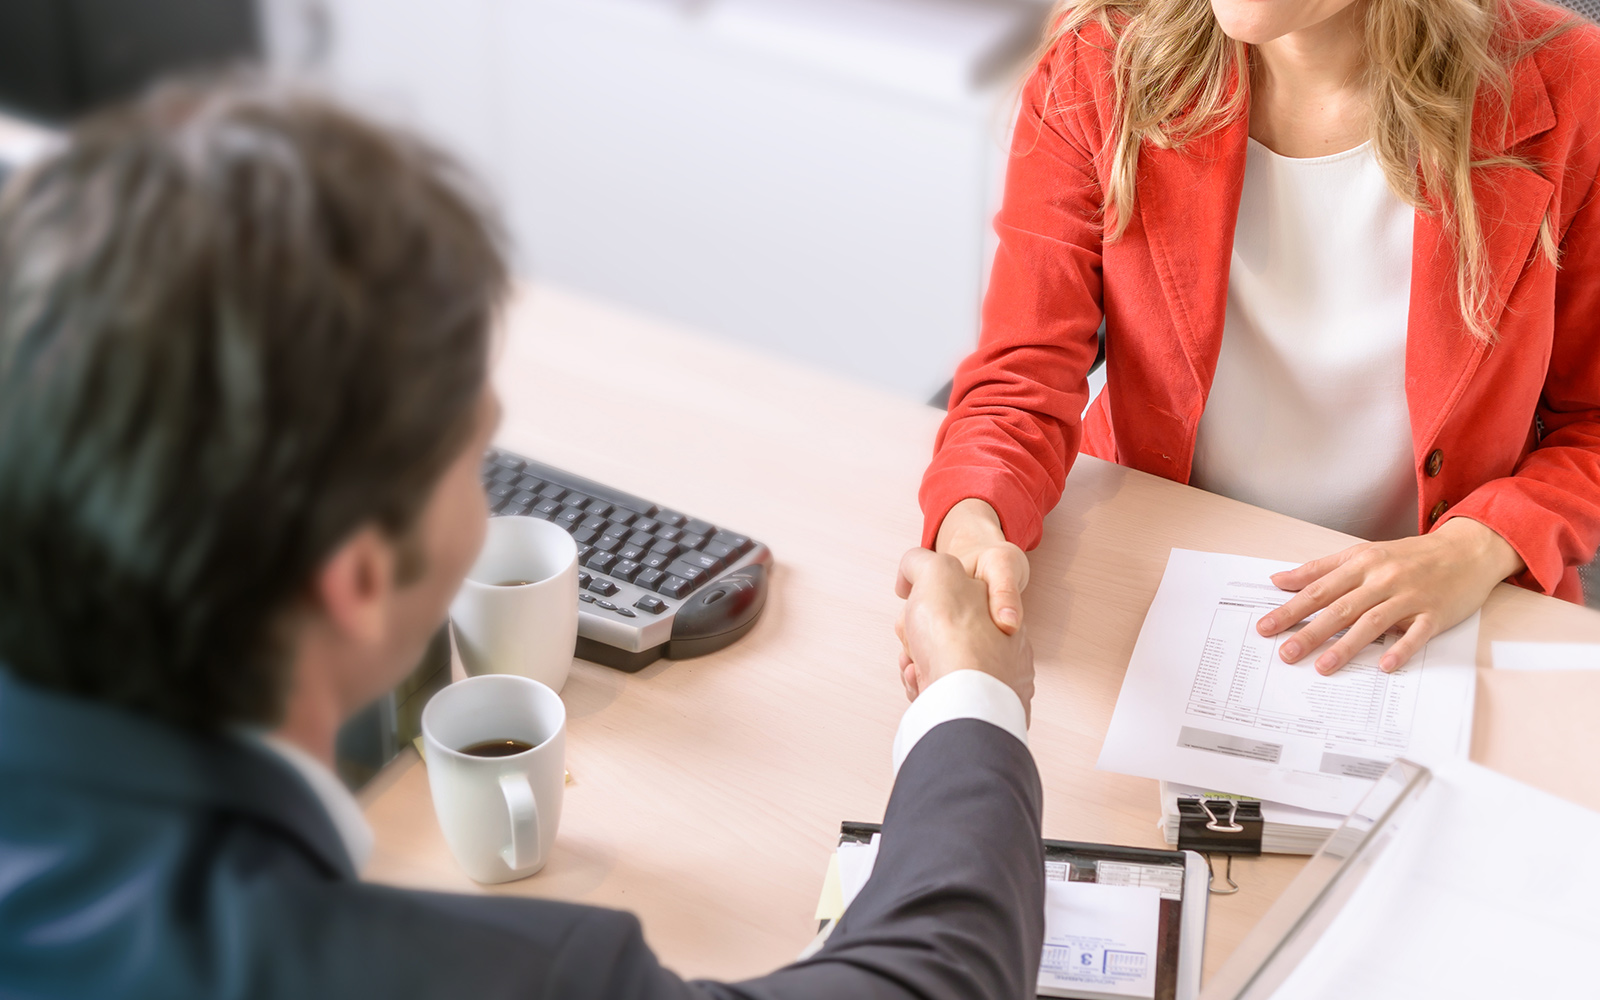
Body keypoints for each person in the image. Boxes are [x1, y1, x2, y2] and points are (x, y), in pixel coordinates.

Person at [0, 79, 1044, 999]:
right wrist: (972, 702)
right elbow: (927, 977)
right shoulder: (508, 978)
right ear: (360, 580)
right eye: (475, 461)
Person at [922, 0, 1600, 677]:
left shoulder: (1569, 83)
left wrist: (1476, 548)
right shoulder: (1097, 61)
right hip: (1158, 576)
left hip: (1439, 615)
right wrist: (973, 521)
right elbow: (1019, 381)